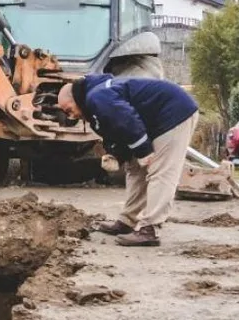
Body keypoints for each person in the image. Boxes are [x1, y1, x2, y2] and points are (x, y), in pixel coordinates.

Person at [56, 73, 199, 247]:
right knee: (134, 168)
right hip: (154, 119)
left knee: (161, 171)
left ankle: (150, 229)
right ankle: (127, 221)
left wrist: (144, 152)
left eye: (69, 110)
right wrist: (118, 155)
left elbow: (127, 121)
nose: (71, 116)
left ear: (76, 98)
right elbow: (118, 130)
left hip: (174, 113)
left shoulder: (97, 97)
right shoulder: (95, 100)